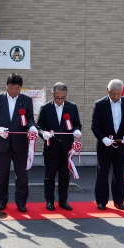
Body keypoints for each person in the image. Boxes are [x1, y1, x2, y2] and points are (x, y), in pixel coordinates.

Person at [0, 73, 37, 213]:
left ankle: (21, 202)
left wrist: (32, 127)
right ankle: (1, 201)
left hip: (20, 143)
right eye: (11, 87)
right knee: (1, 174)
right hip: (3, 142)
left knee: (21, 175)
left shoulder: (26, 100)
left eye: (17, 88)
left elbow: (30, 118)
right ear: (6, 85)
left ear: (21, 88)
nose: (13, 91)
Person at [91, 79, 124, 211]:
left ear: (122, 92)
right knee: (102, 173)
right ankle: (101, 201)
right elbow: (95, 125)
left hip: (121, 144)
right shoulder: (100, 104)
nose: (116, 96)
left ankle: (119, 200)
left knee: (119, 172)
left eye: (118, 93)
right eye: (113, 93)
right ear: (107, 91)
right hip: (104, 145)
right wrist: (103, 138)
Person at [36, 82, 82, 211]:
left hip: (66, 149)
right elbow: (39, 126)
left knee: (64, 176)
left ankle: (63, 201)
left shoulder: (72, 107)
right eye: (57, 97)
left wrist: (77, 130)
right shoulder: (45, 108)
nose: (60, 100)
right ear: (52, 94)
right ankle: (49, 201)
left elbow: (77, 124)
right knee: (49, 176)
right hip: (51, 148)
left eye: (63, 98)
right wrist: (43, 133)